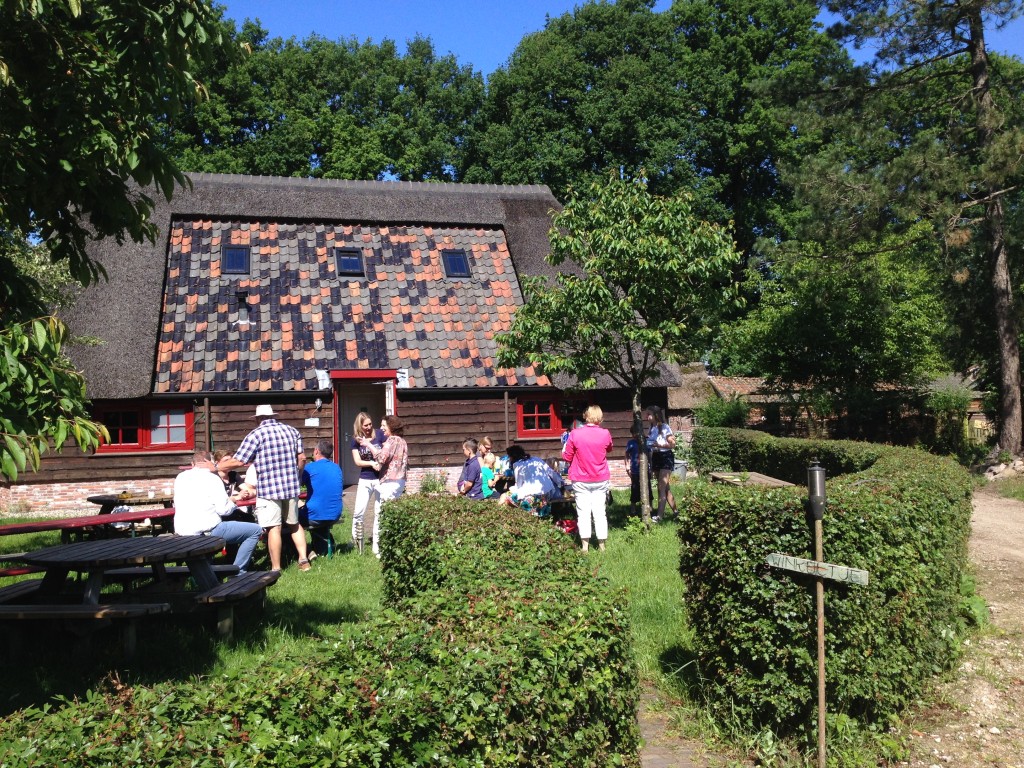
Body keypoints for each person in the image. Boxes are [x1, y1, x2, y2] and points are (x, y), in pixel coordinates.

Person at [217, 405, 310, 573]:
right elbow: (302, 457)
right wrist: (297, 476)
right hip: (291, 488)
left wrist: (217, 467)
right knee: (294, 524)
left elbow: (239, 461)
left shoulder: (255, 435)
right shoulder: (292, 431)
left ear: (258, 419)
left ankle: (276, 568)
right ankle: (304, 560)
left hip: (269, 490)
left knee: (274, 528)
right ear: (272, 416)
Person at [173, 450, 263, 573]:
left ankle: (209, 571)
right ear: (210, 462)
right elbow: (224, 510)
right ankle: (238, 572)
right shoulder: (213, 479)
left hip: (182, 531)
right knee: (255, 530)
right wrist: (233, 500)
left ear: (192, 464)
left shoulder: (180, 477)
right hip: (208, 531)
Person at [563, 405, 614, 552]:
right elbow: (609, 448)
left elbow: (567, 456)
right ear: (600, 417)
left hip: (580, 478)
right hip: (600, 477)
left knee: (583, 512)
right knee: (600, 512)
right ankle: (602, 546)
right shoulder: (605, 433)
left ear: (586, 416)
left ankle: (585, 547)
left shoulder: (575, 434)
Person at [360, 414, 408, 558]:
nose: (381, 429)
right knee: (391, 514)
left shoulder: (392, 440)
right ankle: (387, 546)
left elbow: (381, 457)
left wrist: (368, 445)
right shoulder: (403, 441)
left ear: (391, 427)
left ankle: (381, 549)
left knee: (382, 514)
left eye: (383, 426)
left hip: (389, 482)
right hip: (399, 481)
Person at [300, 439, 343, 558]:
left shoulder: (309, 468)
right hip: (335, 514)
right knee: (316, 510)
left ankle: (306, 552)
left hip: (316, 516)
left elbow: (297, 484)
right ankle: (323, 547)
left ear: (316, 451)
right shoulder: (336, 468)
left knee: (289, 520)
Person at [350, 412, 385, 555]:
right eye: (366, 425)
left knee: (379, 511)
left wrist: (380, 464)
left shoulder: (380, 435)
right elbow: (357, 462)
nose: (369, 427)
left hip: (380, 479)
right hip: (365, 479)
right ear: (360, 426)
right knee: (359, 511)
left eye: (370, 424)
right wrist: (371, 463)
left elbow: (385, 455)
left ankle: (377, 545)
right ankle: (356, 541)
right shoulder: (355, 440)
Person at [499, 444, 563, 516]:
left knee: (504, 496)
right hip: (546, 495)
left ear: (513, 457)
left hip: (532, 497)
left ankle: (500, 516)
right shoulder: (536, 459)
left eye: (509, 457)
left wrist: (511, 489)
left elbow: (519, 485)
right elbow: (551, 472)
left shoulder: (518, 465)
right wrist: (560, 483)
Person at [644, 405, 678, 521]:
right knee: (665, 487)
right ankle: (676, 512)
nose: (646, 416)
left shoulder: (665, 427)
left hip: (665, 456)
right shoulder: (651, 428)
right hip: (656, 456)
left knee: (660, 487)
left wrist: (658, 445)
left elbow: (672, 445)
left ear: (656, 415)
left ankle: (659, 516)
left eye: (649, 414)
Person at [624, 424, 651, 517]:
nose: (634, 435)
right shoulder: (631, 443)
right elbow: (627, 455)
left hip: (645, 470)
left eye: (636, 433)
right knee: (635, 488)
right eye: (633, 433)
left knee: (648, 488)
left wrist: (651, 465)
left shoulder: (645, 442)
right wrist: (627, 466)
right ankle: (633, 509)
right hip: (635, 470)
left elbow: (649, 454)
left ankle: (649, 508)